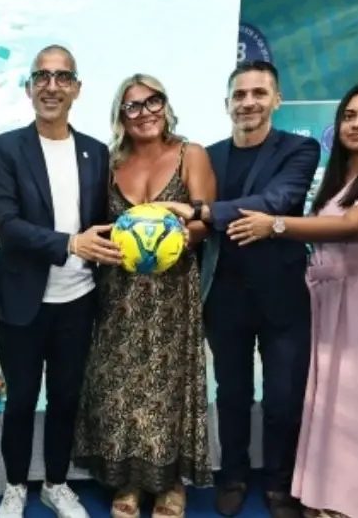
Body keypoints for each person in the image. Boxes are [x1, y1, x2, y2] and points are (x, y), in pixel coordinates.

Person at [227, 79, 358, 518]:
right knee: (333, 402)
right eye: (350, 115)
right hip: (335, 299)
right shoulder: (344, 176)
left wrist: (277, 225)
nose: (357, 124)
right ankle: (327, 495)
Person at [72, 74, 216, 518]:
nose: (145, 112)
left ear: (166, 105)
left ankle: (171, 483)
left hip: (173, 293)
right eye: (132, 106)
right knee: (120, 386)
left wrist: (167, 240)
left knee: (168, 385)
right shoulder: (109, 162)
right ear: (121, 116)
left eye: (153, 101)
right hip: (120, 293)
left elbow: (205, 222)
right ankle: (130, 482)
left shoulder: (191, 154)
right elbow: (97, 222)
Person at [0, 45, 116, 518]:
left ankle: (56, 483)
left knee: (66, 398)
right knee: (20, 400)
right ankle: (17, 484)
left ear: (77, 88)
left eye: (62, 78)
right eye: (41, 76)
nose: (51, 86)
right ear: (28, 87)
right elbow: (5, 223)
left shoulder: (97, 153)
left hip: (78, 302)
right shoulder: (6, 147)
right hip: (23, 299)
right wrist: (69, 244)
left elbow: (103, 223)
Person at [196, 60, 319, 518]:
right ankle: (232, 475)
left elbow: (277, 202)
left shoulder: (299, 150)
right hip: (224, 295)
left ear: (276, 100)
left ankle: (281, 482)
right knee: (231, 394)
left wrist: (206, 212)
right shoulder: (207, 156)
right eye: (240, 94)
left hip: (282, 296)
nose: (248, 102)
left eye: (258, 93)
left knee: (284, 398)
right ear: (227, 103)